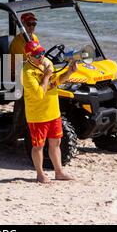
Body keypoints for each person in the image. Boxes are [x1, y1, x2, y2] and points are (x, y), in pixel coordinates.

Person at [22, 40, 77, 184]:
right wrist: (46, 75)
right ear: (28, 57)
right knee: (38, 146)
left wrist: (69, 72)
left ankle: (59, 172)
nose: (41, 56)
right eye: (37, 55)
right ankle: (40, 174)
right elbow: (40, 94)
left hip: (53, 111)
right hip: (38, 115)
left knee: (56, 142)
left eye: (42, 52)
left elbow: (56, 82)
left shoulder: (46, 62)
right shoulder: (27, 73)